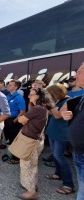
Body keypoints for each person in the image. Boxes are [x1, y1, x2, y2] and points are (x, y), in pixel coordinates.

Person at [17, 88, 54, 200]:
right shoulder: (42, 108)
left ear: (38, 96)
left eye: (32, 95)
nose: (29, 97)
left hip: (30, 140)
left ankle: (31, 191)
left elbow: (21, 120)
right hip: (36, 139)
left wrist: (21, 118)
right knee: (32, 164)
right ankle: (31, 185)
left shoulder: (37, 108)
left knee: (27, 166)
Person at [45, 83, 74, 195]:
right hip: (53, 131)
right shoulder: (57, 101)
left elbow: (57, 115)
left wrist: (50, 104)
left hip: (61, 134)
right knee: (55, 155)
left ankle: (68, 184)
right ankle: (58, 173)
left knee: (59, 156)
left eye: (50, 94)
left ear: (55, 93)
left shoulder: (67, 101)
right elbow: (51, 113)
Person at [61, 63, 84, 200]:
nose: (76, 76)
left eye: (80, 72)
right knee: (81, 188)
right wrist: (67, 115)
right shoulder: (81, 98)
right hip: (78, 152)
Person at [3, 80, 26, 164]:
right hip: (6, 119)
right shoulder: (8, 96)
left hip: (13, 121)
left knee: (14, 139)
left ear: (16, 87)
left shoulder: (19, 97)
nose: (8, 86)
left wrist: (14, 121)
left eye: (10, 85)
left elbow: (22, 111)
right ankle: (10, 154)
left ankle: (16, 158)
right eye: (8, 85)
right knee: (8, 138)